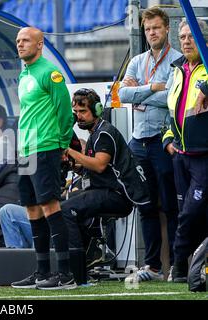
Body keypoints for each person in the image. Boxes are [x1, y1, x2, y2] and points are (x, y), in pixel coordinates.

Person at [62, 88, 150, 285]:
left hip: (118, 196)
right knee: (63, 204)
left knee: (66, 210)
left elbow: (100, 165)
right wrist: (73, 165)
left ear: (97, 109)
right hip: (105, 191)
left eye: (83, 111)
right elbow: (92, 170)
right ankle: (87, 258)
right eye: (75, 112)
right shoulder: (95, 133)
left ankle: (75, 272)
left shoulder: (104, 132)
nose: (79, 117)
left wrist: (70, 151)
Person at [118, 7, 181, 282]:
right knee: (145, 206)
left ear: (167, 29)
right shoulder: (137, 60)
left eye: (156, 27)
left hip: (163, 140)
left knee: (170, 204)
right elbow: (123, 93)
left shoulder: (178, 60)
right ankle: (153, 267)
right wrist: (153, 88)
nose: (151, 33)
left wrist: (141, 91)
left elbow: (171, 98)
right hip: (138, 142)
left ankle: (178, 265)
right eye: (147, 29)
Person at [11, 26, 74, 290]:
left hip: (45, 147)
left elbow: (65, 112)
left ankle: (66, 274)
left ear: (39, 44)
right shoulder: (24, 73)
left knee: (50, 206)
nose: (20, 44)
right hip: (25, 150)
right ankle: (42, 271)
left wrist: (61, 145)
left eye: (26, 40)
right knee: (31, 208)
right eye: (18, 41)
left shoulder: (51, 73)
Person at [163, 18, 208, 283]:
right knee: (184, 214)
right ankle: (183, 267)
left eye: (192, 36)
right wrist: (167, 140)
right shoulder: (178, 68)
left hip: (203, 155)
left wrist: (205, 88)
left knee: (192, 211)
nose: (187, 41)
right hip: (180, 155)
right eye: (182, 37)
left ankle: (181, 263)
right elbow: (171, 112)